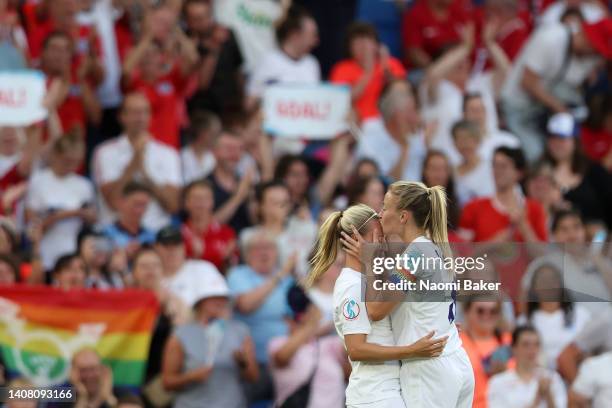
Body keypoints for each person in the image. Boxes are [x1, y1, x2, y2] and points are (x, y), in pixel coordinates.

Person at [340, 183, 474, 408]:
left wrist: (369, 262)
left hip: (429, 370)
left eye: (385, 207)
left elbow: (375, 310)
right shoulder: (433, 248)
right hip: (455, 360)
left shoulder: (414, 255)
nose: (380, 214)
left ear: (403, 216)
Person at [306, 203, 449, 408]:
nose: (383, 244)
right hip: (373, 395)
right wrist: (410, 350)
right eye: (378, 238)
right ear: (356, 239)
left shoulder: (369, 280)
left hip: (389, 391)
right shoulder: (351, 285)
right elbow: (356, 349)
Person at [501, 18, 612, 161]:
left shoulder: (590, 57)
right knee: (536, 155)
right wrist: (562, 110)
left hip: (545, 106)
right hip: (518, 106)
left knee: (572, 145)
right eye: (596, 48)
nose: (596, 53)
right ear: (586, 37)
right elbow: (527, 83)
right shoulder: (551, 39)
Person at [162, 266, 258, 408]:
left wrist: (242, 363)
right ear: (201, 301)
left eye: (223, 297)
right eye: (213, 297)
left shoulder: (240, 330)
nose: (220, 301)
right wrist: (191, 377)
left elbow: (253, 377)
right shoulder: (181, 334)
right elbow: (167, 382)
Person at [92, 92, 181, 232]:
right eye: (134, 112)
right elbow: (113, 202)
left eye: (145, 112)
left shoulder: (169, 154)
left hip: (157, 234)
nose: (140, 117)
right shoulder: (104, 152)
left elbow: (172, 205)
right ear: (122, 116)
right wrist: (136, 160)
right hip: (116, 235)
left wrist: (146, 176)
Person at [226, 228, 295, 403]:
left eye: (269, 247)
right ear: (247, 254)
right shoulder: (238, 274)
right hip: (252, 364)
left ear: (277, 253)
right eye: (257, 248)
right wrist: (278, 276)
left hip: (284, 362)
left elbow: (296, 319)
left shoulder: (289, 282)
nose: (264, 252)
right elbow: (246, 305)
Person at [121, 5, 198, 148]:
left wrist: (176, 30)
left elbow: (193, 59)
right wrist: (147, 37)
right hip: (139, 147)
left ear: (161, 58)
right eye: (146, 56)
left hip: (168, 147)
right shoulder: (136, 82)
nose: (150, 58)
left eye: (154, 55)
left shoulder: (171, 78)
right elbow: (126, 70)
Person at [25, 133, 95, 272]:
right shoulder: (39, 181)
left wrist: (86, 215)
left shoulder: (84, 185)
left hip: (72, 246)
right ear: (56, 155)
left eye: (76, 161)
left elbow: (92, 219)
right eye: (67, 160)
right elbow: (31, 222)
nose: (71, 165)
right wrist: (68, 214)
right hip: (45, 246)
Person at [268, 286, 346, 408]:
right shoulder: (278, 343)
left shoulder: (327, 344)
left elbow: (351, 351)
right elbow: (282, 357)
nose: (302, 316)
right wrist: (312, 323)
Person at [459, 147, 548, 242]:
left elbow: (543, 255)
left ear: (519, 173)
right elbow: (462, 253)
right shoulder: (473, 207)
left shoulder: (535, 209)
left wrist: (523, 226)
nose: (497, 171)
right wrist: (494, 243)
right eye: (494, 165)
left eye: (504, 166)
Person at [519, 260, 591, 369]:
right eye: (543, 280)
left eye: (553, 280)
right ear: (534, 288)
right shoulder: (524, 322)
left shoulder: (581, 314)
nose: (548, 284)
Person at [541, 112, 609, 226]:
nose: (556, 144)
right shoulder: (538, 171)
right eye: (552, 138)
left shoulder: (595, 171)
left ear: (575, 142)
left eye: (562, 139)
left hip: (597, 238)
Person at [329, 22, 406, 122]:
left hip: (388, 122)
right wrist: (368, 72)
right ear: (349, 48)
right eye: (357, 43)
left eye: (367, 41)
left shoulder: (391, 63)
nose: (363, 47)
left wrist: (385, 65)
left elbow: (402, 93)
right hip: (358, 124)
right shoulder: (342, 68)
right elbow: (341, 101)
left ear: (377, 45)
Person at [355, 80, 429, 182]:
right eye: (409, 112)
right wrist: (404, 149)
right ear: (395, 114)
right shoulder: (371, 133)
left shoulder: (416, 136)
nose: (415, 118)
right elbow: (384, 185)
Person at [240, 181, 317, 278]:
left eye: (285, 202)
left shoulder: (306, 227)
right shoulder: (249, 236)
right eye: (276, 202)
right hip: (271, 290)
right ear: (261, 206)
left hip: (307, 287)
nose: (283, 207)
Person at [246, 5, 320, 105]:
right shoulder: (269, 61)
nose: (316, 41)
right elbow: (249, 103)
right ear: (295, 35)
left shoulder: (312, 64)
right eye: (312, 36)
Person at [183, 0, 245, 117]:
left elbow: (238, 71)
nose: (202, 23)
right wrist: (213, 48)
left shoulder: (228, 34)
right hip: (200, 111)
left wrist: (242, 99)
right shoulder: (186, 43)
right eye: (196, 19)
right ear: (187, 21)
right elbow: (201, 84)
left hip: (229, 107)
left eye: (206, 16)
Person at [487, 326, 567, 408]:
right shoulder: (498, 382)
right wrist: (537, 399)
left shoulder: (553, 378)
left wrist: (548, 395)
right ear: (514, 348)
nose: (532, 350)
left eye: (536, 344)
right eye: (526, 345)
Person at [459, 297, 512, 408]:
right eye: (480, 311)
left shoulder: (510, 341)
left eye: (493, 311)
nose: (487, 315)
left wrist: (505, 375)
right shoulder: (457, 342)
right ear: (467, 312)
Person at [155, 225, 223, 305]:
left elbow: (219, 305)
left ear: (183, 247)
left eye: (176, 245)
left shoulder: (204, 269)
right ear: (156, 248)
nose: (171, 250)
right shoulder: (149, 277)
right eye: (166, 246)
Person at [180, 179, 237, 273]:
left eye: (205, 198)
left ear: (212, 202)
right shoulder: (178, 234)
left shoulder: (227, 233)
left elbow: (230, 271)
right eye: (196, 198)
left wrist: (226, 260)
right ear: (186, 203)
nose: (200, 203)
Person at [206, 130, 254, 233]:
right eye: (228, 148)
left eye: (239, 149)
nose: (234, 154)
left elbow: (256, 222)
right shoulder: (203, 185)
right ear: (214, 151)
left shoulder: (247, 183)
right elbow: (208, 227)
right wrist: (238, 197)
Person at [401, 0, 470, 69]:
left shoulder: (458, 10)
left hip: (458, 67)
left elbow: (468, 43)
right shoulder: (415, 14)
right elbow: (414, 52)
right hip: (424, 69)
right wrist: (436, 70)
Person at [100, 181, 156, 257]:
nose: (139, 210)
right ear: (121, 202)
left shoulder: (152, 237)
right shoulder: (104, 234)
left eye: (144, 205)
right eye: (136, 204)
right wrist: (123, 254)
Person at [451, 119, 496, 207]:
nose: (464, 144)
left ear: (478, 140)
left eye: (468, 138)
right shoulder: (451, 172)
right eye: (460, 139)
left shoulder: (492, 166)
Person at [180, 111, 221, 185]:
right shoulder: (181, 156)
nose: (216, 138)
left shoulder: (214, 158)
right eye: (213, 133)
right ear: (202, 133)